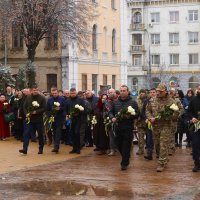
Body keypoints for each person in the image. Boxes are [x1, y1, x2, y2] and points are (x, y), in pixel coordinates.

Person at [146, 83, 181, 172]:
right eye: (157, 91)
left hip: (166, 125)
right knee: (157, 144)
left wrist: (173, 115)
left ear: (165, 91)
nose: (158, 93)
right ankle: (163, 158)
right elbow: (148, 110)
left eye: (160, 91)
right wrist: (150, 118)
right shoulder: (152, 100)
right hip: (155, 126)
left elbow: (177, 113)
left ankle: (161, 163)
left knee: (163, 144)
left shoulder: (171, 101)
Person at [109, 85, 139, 170]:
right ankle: (126, 156)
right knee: (118, 144)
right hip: (118, 127)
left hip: (128, 126)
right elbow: (110, 112)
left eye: (124, 90)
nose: (122, 92)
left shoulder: (133, 102)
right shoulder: (115, 102)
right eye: (121, 90)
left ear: (127, 91)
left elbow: (137, 113)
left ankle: (124, 163)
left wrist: (130, 116)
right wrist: (112, 117)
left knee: (126, 145)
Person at [19, 85, 46, 155]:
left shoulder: (42, 98)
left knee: (40, 134)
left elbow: (44, 108)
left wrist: (36, 112)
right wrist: (26, 113)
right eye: (34, 90)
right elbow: (24, 107)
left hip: (38, 119)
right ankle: (25, 149)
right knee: (26, 133)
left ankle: (41, 148)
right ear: (31, 91)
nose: (35, 91)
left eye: (36, 90)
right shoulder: (28, 97)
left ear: (38, 90)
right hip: (29, 119)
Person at [65, 88, 85, 154]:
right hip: (71, 119)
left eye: (73, 93)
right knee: (72, 133)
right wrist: (67, 115)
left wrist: (78, 113)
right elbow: (66, 109)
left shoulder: (80, 100)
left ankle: (78, 148)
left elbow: (84, 109)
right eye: (71, 93)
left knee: (77, 133)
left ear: (76, 93)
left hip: (78, 119)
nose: (72, 94)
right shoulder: (67, 100)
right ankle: (74, 148)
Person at [47, 88, 65, 153]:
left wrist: (59, 108)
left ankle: (56, 147)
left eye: (55, 93)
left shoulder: (62, 99)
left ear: (58, 93)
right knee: (54, 132)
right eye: (53, 93)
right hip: (52, 118)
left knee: (58, 132)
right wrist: (49, 115)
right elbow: (47, 109)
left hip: (59, 118)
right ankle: (55, 145)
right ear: (52, 93)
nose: (54, 94)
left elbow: (64, 107)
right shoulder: (49, 100)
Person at [188, 85, 200, 172]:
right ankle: (197, 163)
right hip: (196, 127)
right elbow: (189, 111)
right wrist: (192, 117)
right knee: (195, 145)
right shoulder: (194, 99)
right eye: (199, 88)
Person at [136, 89, 148, 155]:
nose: (141, 94)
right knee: (140, 136)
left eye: (143, 92)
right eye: (140, 92)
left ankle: (150, 148)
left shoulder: (149, 100)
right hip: (140, 121)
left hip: (147, 121)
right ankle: (140, 149)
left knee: (149, 136)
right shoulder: (137, 101)